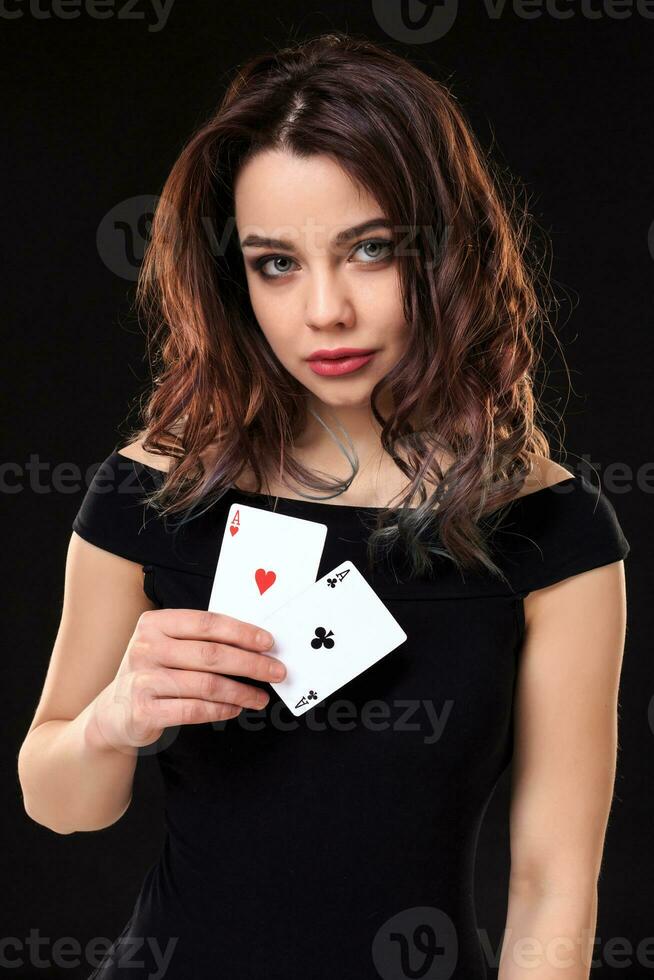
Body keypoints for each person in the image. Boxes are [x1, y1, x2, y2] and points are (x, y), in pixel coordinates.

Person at [18, 31, 630, 980]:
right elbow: (62, 803)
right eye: (276, 263)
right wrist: (113, 718)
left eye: (371, 251)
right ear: (236, 276)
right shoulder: (151, 492)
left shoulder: (556, 533)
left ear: (447, 251)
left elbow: (554, 882)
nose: (325, 312)